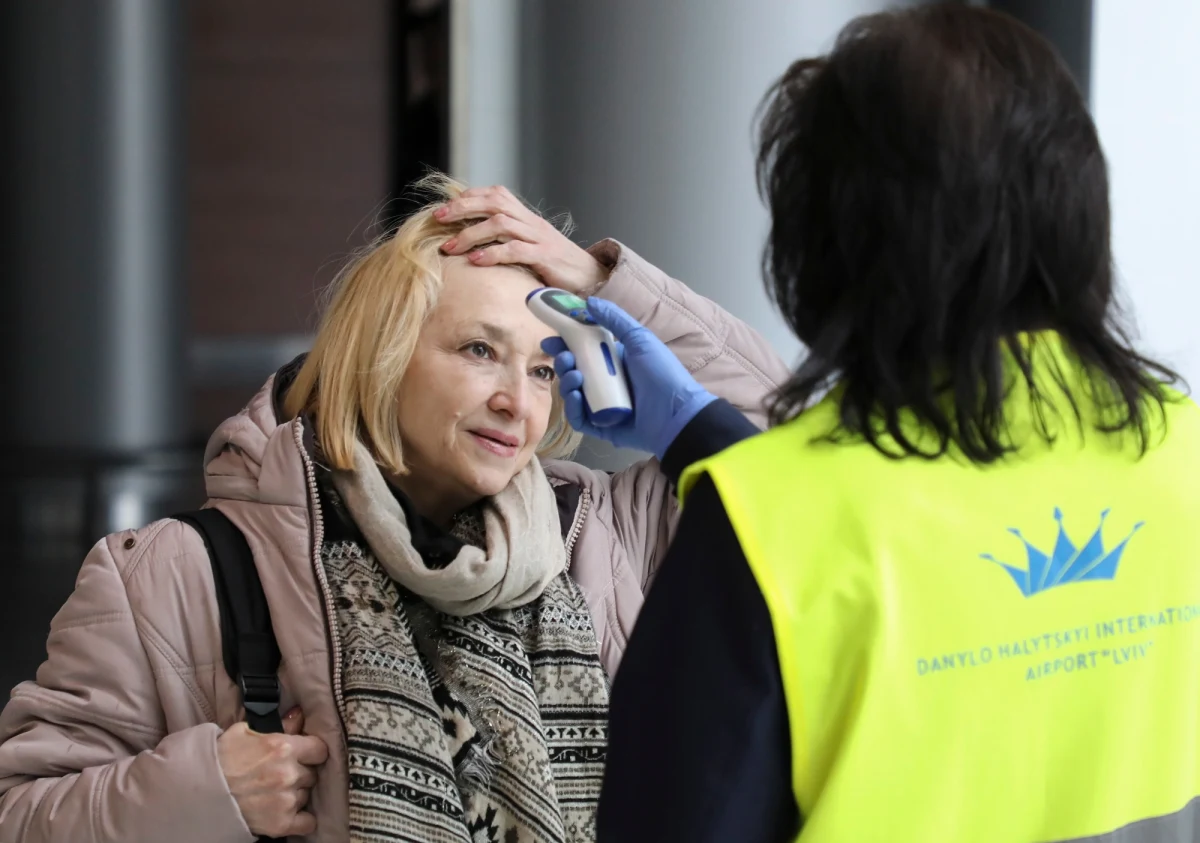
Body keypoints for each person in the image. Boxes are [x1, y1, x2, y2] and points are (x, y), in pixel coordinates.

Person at [0, 176, 786, 842]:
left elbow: (783, 438)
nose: (517, 401)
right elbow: (21, 811)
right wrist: (207, 793)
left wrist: (598, 278)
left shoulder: (605, 534)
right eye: (478, 350)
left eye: (544, 370)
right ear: (381, 351)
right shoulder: (171, 573)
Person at [593, 6, 1200, 843]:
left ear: (824, 241)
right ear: (1080, 207)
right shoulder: (1185, 456)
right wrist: (698, 428)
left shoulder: (766, 525)